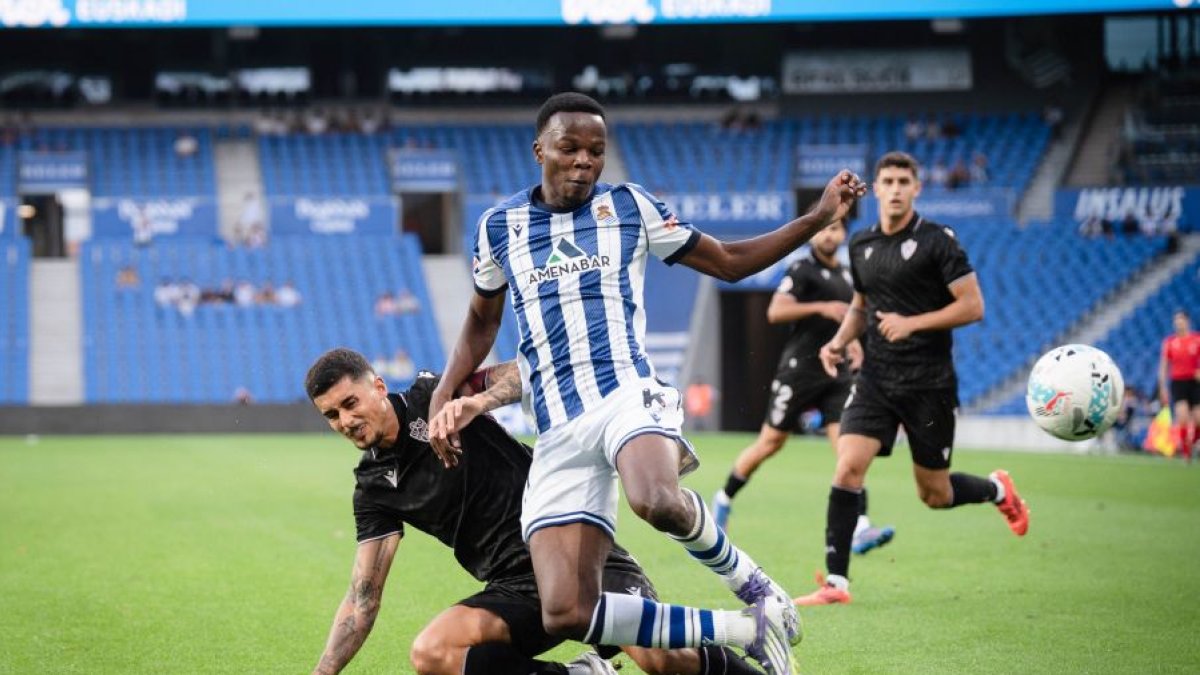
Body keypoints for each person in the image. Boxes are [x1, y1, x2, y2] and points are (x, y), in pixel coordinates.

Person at [428, 91, 867, 675]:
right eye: (570, 148)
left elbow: (730, 261)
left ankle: (754, 586)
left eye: (596, 150)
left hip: (624, 394)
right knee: (566, 612)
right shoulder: (499, 228)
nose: (585, 160)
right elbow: (482, 322)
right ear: (540, 151)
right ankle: (747, 629)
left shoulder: (630, 207)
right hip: (557, 425)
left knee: (654, 499)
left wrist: (816, 219)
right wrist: (443, 392)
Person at [305, 348, 760, 675]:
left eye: (350, 403)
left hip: (574, 549)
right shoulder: (372, 491)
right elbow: (363, 598)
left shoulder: (435, 393)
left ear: (378, 388)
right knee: (433, 651)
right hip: (515, 589)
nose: (345, 421)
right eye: (331, 415)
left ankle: (763, 649)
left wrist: (478, 402)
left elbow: (527, 375)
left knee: (660, 659)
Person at [794, 151, 1029, 606]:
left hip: (929, 383)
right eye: (889, 181)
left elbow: (973, 306)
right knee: (847, 465)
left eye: (905, 181)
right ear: (876, 189)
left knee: (935, 494)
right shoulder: (860, 244)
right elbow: (862, 306)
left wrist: (912, 323)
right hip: (877, 379)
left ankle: (998, 488)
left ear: (917, 188)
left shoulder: (939, 241)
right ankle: (836, 585)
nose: (897, 188)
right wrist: (839, 342)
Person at [711, 215, 895, 556]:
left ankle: (861, 526)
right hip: (798, 372)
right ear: (814, 234)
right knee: (769, 443)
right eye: (825, 228)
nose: (830, 234)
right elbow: (776, 312)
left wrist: (852, 343)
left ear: (843, 234)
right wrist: (822, 307)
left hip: (836, 374)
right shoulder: (801, 270)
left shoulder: (845, 274)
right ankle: (723, 498)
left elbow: (850, 319)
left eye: (836, 228)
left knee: (848, 447)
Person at [1158, 310, 1200, 462]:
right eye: (1176, 320)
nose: (1178, 322)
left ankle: (1193, 442)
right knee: (1182, 418)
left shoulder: (1196, 339)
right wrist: (1162, 387)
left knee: (1198, 419)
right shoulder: (1170, 342)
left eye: (1181, 319)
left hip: (1195, 383)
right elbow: (1163, 365)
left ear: (1187, 321)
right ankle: (1186, 453)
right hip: (1178, 382)